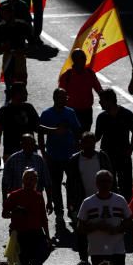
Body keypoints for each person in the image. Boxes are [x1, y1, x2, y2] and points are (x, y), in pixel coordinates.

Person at [39, 89, 83, 231]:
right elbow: (40, 133)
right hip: (53, 155)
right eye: (61, 97)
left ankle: (72, 210)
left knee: (72, 184)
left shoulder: (70, 112)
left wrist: (78, 148)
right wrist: (43, 152)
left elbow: (78, 131)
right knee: (55, 186)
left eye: (65, 97)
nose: (64, 99)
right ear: (54, 98)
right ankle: (59, 212)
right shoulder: (46, 114)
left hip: (70, 155)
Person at [77, 170, 130, 265]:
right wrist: (97, 226)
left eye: (108, 181)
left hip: (118, 250)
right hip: (97, 251)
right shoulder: (87, 202)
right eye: (101, 181)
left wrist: (117, 229)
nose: (105, 184)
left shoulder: (120, 200)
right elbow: (80, 228)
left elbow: (129, 223)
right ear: (96, 183)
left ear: (112, 183)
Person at [95, 88, 133, 201]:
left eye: (102, 100)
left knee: (126, 185)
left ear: (109, 100)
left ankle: (127, 209)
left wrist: (131, 149)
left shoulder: (127, 114)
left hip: (123, 155)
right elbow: (97, 136)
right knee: (109, 184)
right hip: (107, 156)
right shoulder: (101, 117)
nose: (99, 102)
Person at [66, 133, 113, 236]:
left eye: (91, 144)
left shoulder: (102, 157)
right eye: (86, 144)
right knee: (83, 233)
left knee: (102, 232)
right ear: (81, 144)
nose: (89, 147)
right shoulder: (74, 160)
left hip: (102, 201)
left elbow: (111, 178)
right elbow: (70, 184)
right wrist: (70, 204)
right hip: (81, 203)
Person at [0, 84, 40, 172]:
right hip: (10, 153)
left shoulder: (29, 108)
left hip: (30, 152)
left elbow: (38, 128)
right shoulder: (4, 111)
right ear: (16, 94)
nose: (27, 93)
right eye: (24, 92)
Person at [59, 50, 103, 131]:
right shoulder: (66, 76)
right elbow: (60, 96)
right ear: (75, 60)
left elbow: (99, 89)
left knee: (85, 137)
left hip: (87, 112)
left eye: (85, 57)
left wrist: (106, 101)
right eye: (82, 57)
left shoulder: (90, 73)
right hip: (71, 112)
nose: (85, 59)